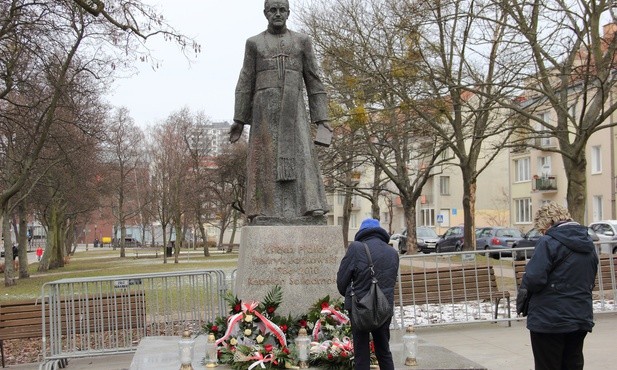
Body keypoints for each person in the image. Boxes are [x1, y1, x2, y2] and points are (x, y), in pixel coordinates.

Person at [229, 0, 331, 223]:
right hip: (264, 111)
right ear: (265, 13)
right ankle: (263, 210)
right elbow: (246, 79)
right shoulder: (254, 43)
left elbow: (314, 80)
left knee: (302, 156)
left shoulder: (302, 41)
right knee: (264, 159)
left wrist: (322, 119)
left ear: (288, 12)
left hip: (294, 110)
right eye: (272, 10)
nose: (277, 14)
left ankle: (310, 206)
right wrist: (239, 119)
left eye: (281, 10)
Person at [521, 202, 598, 370]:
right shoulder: (588, 242)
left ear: (547, 223)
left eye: (541, 229)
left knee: (548, 365)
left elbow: (534, 279)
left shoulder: (548, 241)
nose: (542, 233)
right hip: (579, 316)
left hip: (549, 319)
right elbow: (590, 276)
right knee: (572, 363)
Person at [337, 219, 399, 370]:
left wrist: (349, 292)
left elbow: (341, 281)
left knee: (361, 354)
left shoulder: (356, 248)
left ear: (361, 232)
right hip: (384, 309)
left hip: (361, 309)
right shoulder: (392, 252)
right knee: (384, 351)